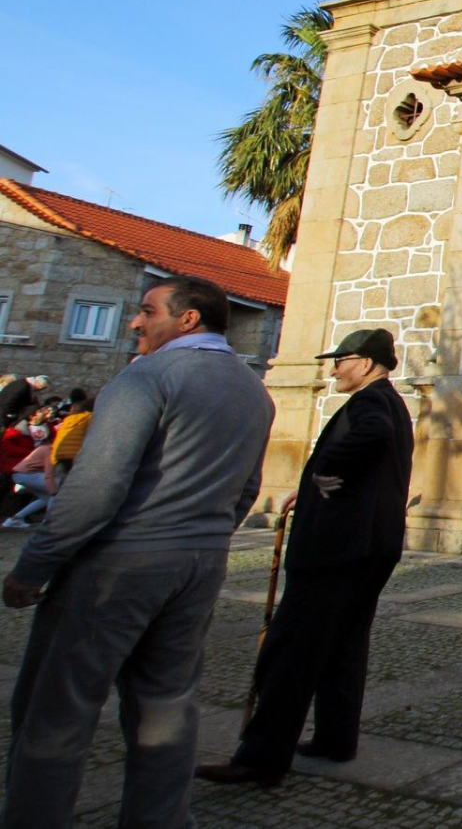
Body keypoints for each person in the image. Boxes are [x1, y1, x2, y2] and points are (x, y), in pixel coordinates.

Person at [1, 276, 273, 829]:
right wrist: (205, 535)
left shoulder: (147, 376)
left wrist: (32, 568)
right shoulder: (255, 391)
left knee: (58, 709)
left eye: (148, 311)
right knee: (166, 707)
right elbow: (247, 488)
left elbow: (95, 488)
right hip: (199, 562)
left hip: (120, 561)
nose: (134, 321)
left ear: (188, 319)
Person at [197, 327, 414, 786]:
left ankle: (260, 759)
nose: (333, 367)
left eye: (342, 359)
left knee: (291, 651)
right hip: (369, 547)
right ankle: (336, 739)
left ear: (368, 364)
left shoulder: (371, 403)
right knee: (343, 646)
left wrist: (327, 471)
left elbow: (368, 438)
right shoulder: (391, 400)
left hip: (337, 551)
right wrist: (311, 487)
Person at [50, 392, 93, 483]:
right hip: (76, 458)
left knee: (63, 489)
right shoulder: (89, 418)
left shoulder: (67, 421)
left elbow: (58, 441)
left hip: (60, 458)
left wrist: (54, 459)